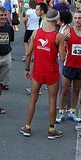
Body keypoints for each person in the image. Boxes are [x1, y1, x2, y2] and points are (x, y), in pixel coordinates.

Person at [20, 9, 65, 139]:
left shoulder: (36, 32)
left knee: (33, 99)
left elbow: (28, 53)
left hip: (38, 71)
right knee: (52, 101)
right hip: (52, 72)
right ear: (57, 20)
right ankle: (51, 130)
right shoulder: (58, 36)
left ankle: (27, 127)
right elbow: (62, 58)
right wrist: (64, 45)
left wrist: (27, 69)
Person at [56, 10, 81, 123]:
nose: (78, 20)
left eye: (80, 18)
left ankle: (72, 111)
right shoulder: (68, 32)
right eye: (76, 18)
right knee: (65, 90)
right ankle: (60, 112)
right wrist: (64, 42)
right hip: (69, 65)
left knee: (76, 90)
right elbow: (60, 46)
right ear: (73, 19)